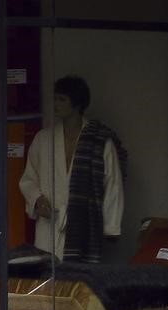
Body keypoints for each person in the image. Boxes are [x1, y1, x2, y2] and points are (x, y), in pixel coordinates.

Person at [19, 75, 127, 262]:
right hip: (49, 223)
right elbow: (29, 178)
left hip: (83, 224)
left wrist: (111, 226)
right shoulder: (43, 139)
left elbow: (113, 185)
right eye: (55, 98)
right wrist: (37, 199)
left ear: (77, 104)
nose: (56, 104)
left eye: (62, 99)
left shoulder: (99, 141)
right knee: (47, 278)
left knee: (79, 282)